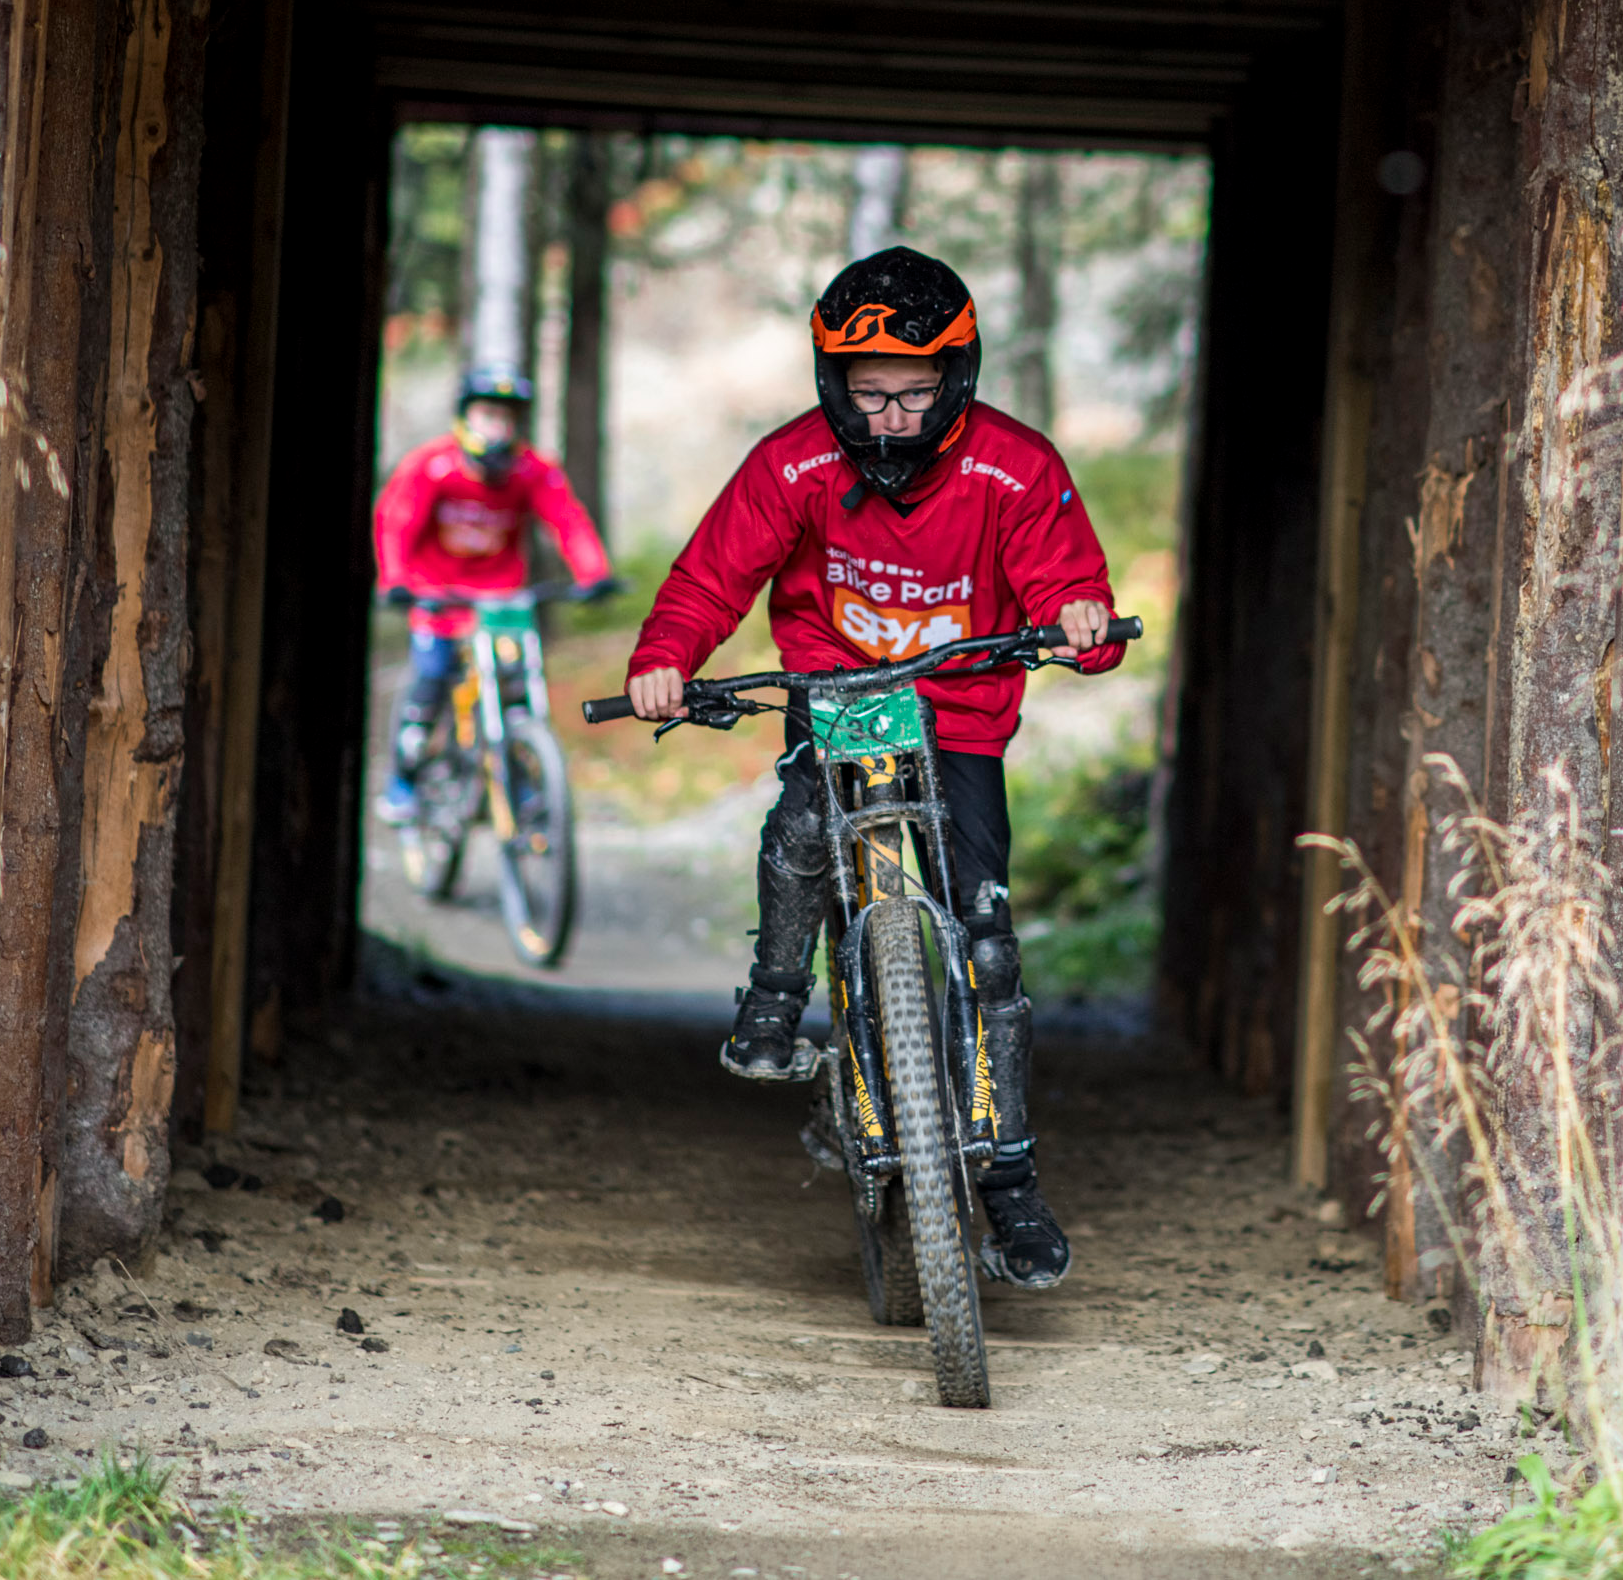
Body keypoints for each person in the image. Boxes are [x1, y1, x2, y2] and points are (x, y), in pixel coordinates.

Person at [624, 246, 1121, 1289]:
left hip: (962, 715)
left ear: (958, 376)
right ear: (829, 383)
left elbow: (1068, 582)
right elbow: (712, 574)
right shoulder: (793, 464)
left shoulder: (1014, 466)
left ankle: (1011, 1181)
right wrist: (665, 659)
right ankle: (772, 995)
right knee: (801, 829)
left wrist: (1080, 621)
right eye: (867, 394)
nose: (890, 418)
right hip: (840, 702)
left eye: (913, 392)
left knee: (986, 941)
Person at [373, 363, 619, 824]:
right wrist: (396, 579)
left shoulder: (531, 469)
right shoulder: (432, 465)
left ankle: (522, 774)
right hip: (438, 598)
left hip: (502, 599)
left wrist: (594, 573)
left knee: (515, 687)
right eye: (488, 415)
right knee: (430, 682)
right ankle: (404, 780)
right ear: (466, 418)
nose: (498, 428)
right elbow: (396, 520)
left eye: (507, 418)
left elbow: (567, 520)